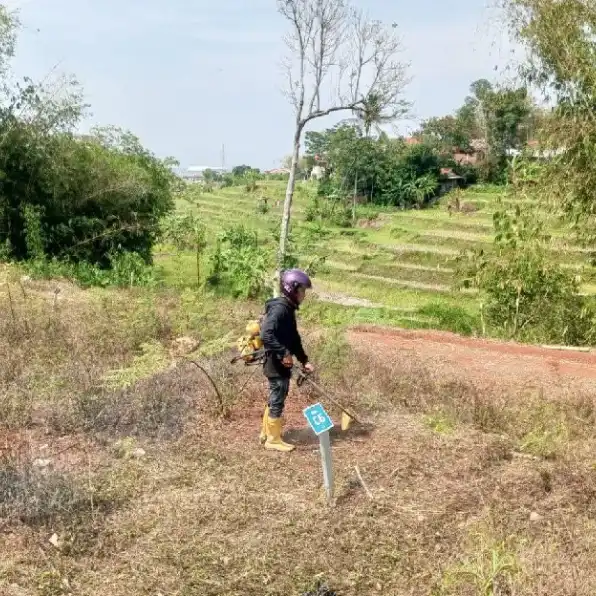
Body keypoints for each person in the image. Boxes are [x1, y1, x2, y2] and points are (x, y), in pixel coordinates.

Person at [259, 269, 314, 452]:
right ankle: (273, 440)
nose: (304, 295)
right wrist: (283, 353)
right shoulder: (280, 309)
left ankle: (266, 433)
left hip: (279, 361)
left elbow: (294, 338)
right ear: (293, 289)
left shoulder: (287, 309)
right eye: (302, 291)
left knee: (276, 396)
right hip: (275, 363)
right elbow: (266, 334)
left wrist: (304, 360)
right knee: (278, 398)